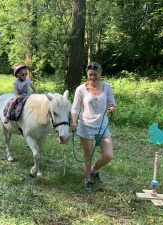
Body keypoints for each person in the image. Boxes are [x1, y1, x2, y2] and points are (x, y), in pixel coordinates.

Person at [70, 62, 116, 192]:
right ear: (87, 74)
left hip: (102, 125)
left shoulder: (107, 87)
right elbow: (75, 108)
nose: (92, 78)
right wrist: (74, 121)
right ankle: (87, 179)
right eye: (90, 75)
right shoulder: (81, 89)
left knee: (108, 155)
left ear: (100, 73)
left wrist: (112, 108)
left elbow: (112, 104)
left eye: (95, 75)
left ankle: (94, 171)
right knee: (88, 154)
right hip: (86, 125)